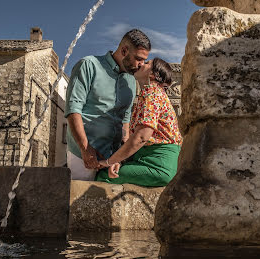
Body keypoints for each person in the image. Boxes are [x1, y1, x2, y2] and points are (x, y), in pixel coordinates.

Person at [65, 29, 151, 180]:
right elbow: (73, 110)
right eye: (138, 59)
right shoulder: (88, 65)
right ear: (124, 50)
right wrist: (85, 148)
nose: (141, 65)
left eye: (144, 60)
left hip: (113, 159)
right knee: (78, 200)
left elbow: (125, 119)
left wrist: (122, 155)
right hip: (82, 155)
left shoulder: (131, 81)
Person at [95, 58, 182, 187]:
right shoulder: (151, 94)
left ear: (153, 74)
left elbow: (141, 137)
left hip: (159, 165)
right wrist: (120, 160)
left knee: (103, 176)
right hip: (154, 161)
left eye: (147, 63)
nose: (141, 63)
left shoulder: (152, 93)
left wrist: (108, 162)